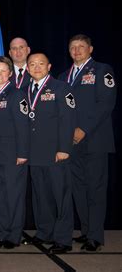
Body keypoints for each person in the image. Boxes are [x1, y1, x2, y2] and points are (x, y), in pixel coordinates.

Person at [58, 34, 116, 252]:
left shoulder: (102, 70)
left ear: (90, 49)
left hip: (95, 141)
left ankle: (96, 236)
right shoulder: (64, 76)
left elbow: (106, 103)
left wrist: (84, 129)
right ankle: (85, 231)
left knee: (96, 189)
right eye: (73, 47)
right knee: (78, 189)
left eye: (81, 47)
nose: (77, 50)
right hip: (71, 143)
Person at [25, 53, 75, 254]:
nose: (36, 67)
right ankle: (44, 232)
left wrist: (64, 148)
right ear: (27, 68)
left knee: (61, 196)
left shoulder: (61, 88)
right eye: (32, 64)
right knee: (41, 196)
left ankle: (63, 239)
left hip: (56, 153)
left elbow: (68, 120)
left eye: (41, 64)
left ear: (49, 66)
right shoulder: (26, 90)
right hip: (34, 153)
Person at [0, 56, 29, 249]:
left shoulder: (17, 94)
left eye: (3, 71)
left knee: (14, 196)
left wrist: (22, 152)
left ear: (10, 74)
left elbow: (23, 126)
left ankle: (14, 235)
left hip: (12, 155)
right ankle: (3, 232)